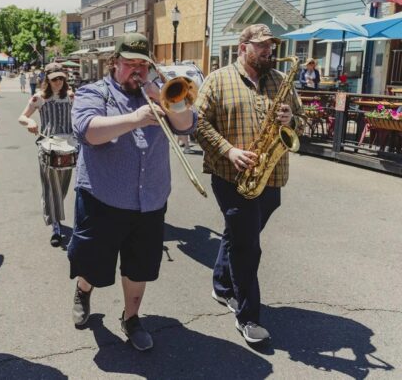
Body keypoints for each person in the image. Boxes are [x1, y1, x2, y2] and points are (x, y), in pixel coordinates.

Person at [67, 33, 197, 351]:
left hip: (150, 199)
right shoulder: (93, 91)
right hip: (102, 197)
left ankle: (132, 317)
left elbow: (186, 126)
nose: (137, 71)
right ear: (114, 63)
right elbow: (87, 131)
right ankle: (84, 290)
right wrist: (135, 119)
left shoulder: (158, 92)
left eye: (143, 64)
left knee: (140, 267)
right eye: (129, 64)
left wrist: (165, 98)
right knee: (93, 264)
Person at [194, 24, 303, 345]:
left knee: (239, 232)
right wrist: (229, 150)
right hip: (230, 176)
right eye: (262, 46)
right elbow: (198, 123)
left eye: (271, 45)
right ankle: (248, 317)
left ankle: (221, 285)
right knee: (247, 246)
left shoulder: (280, 80)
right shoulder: (217, 80)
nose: (269, 51)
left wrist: (292, 120)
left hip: (272, 176)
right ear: (243, 48)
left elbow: (302, 119)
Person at [18, 63, 75, 247]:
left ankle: (54, 211)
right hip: (48, 146)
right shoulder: (39, 98)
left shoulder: (71, 96)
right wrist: (30, 122)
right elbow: (22, 116)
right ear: (47, 80)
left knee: (62, 187)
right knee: (51, 187)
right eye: (54, 79)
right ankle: (55, 226)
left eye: (61, 78)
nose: (58, 82)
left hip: (69, 146)